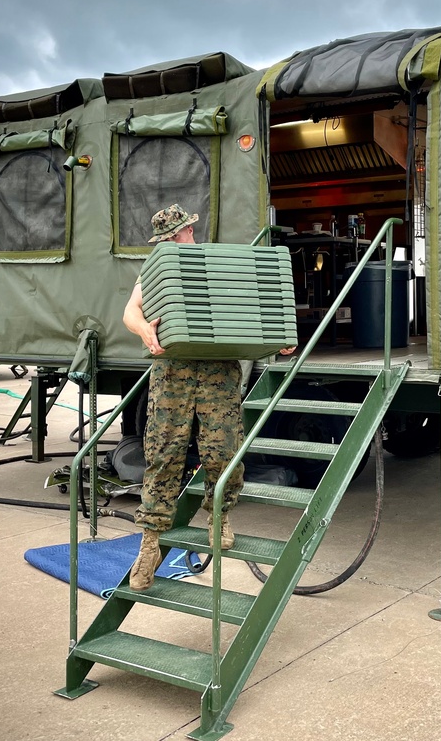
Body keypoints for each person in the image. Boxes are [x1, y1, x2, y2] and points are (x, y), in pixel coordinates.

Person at [122, 203, 294, 592]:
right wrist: (144, 332)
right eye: (180, 234)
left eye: (183, 232)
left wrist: (276, 337)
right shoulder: (157, 268)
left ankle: (220, 516)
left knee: (223, 450)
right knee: (164, 453)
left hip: (218, 371)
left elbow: (249, 308)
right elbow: (130, 311)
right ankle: (150, 542)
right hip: (173, 372)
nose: (186, 237)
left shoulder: (215, 263)